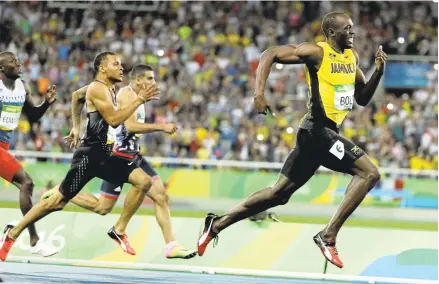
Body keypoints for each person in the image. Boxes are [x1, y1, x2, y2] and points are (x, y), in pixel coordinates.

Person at [197, 12, 388, 269]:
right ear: (332, 33)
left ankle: (217, 224)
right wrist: (258, 93)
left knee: (279, 194)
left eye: (353, 28)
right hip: (316, 131)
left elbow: (362, 98)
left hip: (325, 134)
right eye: (347, 28)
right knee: (369, 173)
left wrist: (378, 72)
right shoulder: (316, 52)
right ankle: (328, 235)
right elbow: (270, 54)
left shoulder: (351, 58)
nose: (353, 32)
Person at [0, 51, 160, 261]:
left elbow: (76, 96)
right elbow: (113, 120)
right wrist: (139, 99)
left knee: (143, 181)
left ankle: (118, 231)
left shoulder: (109, 88)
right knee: (56, 203)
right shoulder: (96, 88)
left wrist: (76, 127)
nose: (121, 68)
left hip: (106, 155)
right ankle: (13, 233)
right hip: (89, 157)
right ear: (103, 68)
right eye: (116, 64)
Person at [50, 64, 196, 259]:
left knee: (160, 196)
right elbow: (131, 126)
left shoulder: (139, 99)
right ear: (138, 81)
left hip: (133, 156)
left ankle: (171, 245)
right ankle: (64, 189)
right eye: (150, 79)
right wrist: (161, 126)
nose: (154, 82)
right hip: (117, 157)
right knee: (102, 208)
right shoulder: (126, 94)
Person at [0, 51, 59, 257]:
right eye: (13, 62)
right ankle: (34, 241)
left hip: (4, 146)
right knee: (27, 183)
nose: (18, 64)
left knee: (26, 185)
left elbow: (33, 115)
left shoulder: (22, 86)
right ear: (2, 68)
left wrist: (46, 104)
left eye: (18, 61)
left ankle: (18, 234)